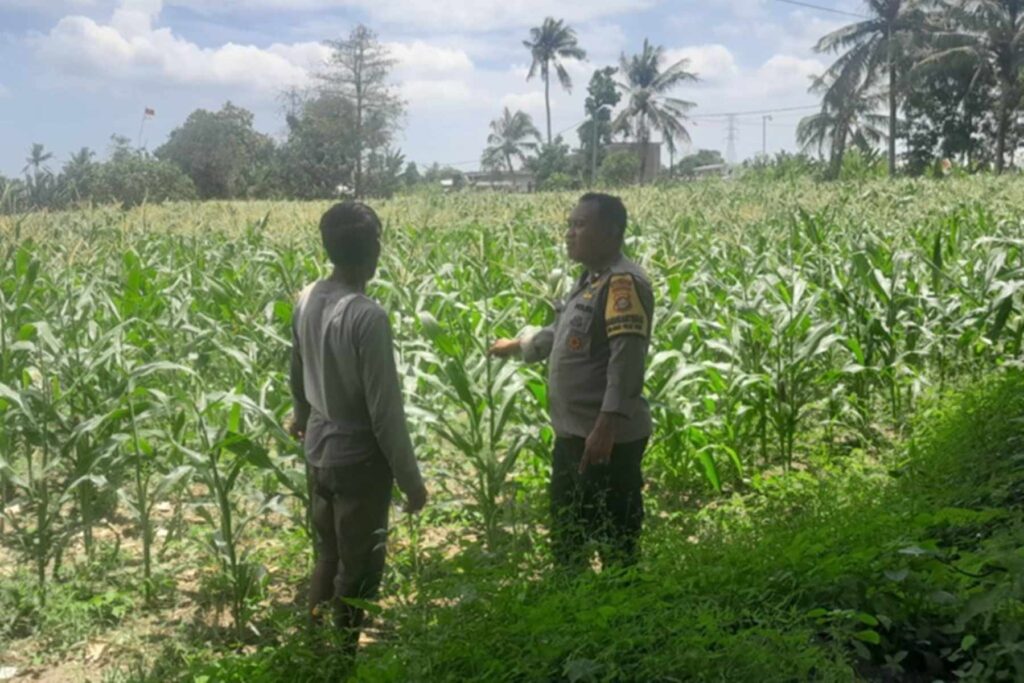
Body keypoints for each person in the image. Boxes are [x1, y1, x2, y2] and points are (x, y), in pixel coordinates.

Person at [289, 201, 428, 652]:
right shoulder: (367, 316)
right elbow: (384, 412)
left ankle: (313, 647)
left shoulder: (306, 297)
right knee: (360, 568)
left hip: (319, 454)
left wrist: (303, 414)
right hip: (359, 463)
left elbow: (296, 366)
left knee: (327, 554)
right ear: (374, 249)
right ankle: (342, 661)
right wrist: (412, 482)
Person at [490, 193, 654, 571]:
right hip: (576, 433)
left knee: (613, 536)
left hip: (602, 438)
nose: (569, 233)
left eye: (580, 225)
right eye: (570, 224)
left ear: (611, 231)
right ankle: (576, 610)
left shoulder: (623, 285)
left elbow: (626, 360)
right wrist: (519, 345)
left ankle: (622, 610)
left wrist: (606, 425)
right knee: (568, 533)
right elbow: (565, 331)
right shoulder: (591, 281)